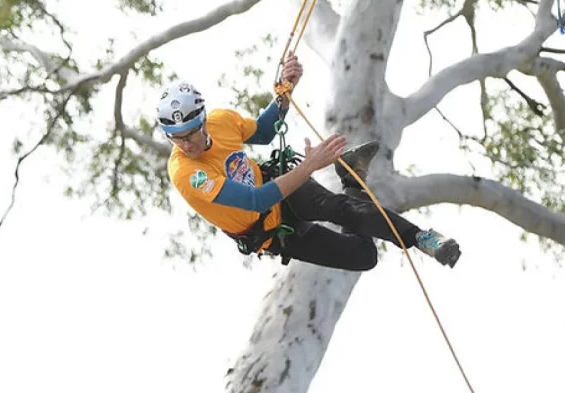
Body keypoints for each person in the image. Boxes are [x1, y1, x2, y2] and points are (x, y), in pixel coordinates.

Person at [156, 55, 461, 271]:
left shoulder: (222, 120)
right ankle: (352, 178)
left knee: (338, 208)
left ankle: (421, 238)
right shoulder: (186, 173)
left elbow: (263, 132)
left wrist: (285, 91)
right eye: (176, 138)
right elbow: (253, 200)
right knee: (363, 256)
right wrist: (310, 166)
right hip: (272, 232)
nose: (186, 143)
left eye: (191, 133)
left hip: (278, 183)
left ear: (203, 120)